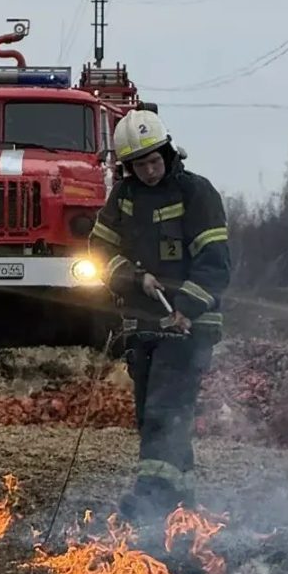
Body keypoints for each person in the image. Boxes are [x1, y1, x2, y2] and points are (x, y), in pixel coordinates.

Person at [89, 108, 230, 523]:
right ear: (127, 167)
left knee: (165, 412)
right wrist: (135, 279)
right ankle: (181, 508)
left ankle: (151, 499)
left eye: (155, 160)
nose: (150, 171)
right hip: (143, 325)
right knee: (154, 413)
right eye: (140, 164)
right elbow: (98, 252)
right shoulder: (125, 198)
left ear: (168, 153)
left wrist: (185, 308)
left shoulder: (196, 193)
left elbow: (215, 262)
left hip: (190, 328)